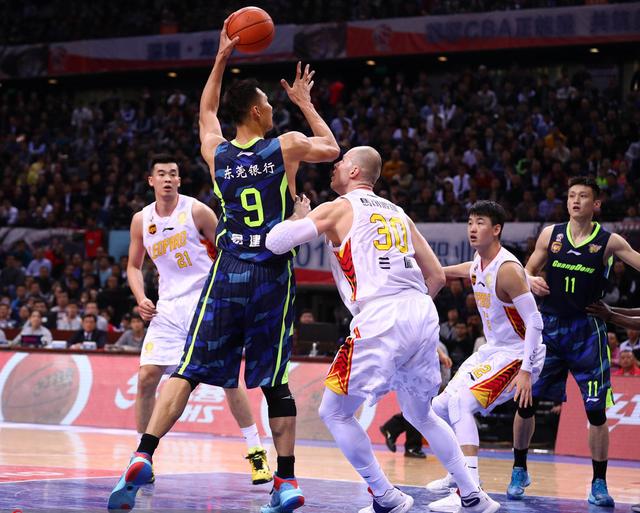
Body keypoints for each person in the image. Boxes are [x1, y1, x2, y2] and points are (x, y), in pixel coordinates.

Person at [108, 16, 339, 513]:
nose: (274, 107)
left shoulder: (216, 153)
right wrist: (305, 102)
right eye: (270, 103)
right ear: (257, 110)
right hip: (271, 274)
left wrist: (221, 57)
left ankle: (143, 453)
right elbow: (332, 149)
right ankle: (285, 481)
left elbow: (207, 110)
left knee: (188, 370)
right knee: (274, 380)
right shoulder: (286, 145)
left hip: (228, 270)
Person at [265, 146, 499, 513]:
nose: (334, 166)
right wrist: (411, 319)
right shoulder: (398, 213)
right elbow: (437, 277)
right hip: (420, 310)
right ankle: (473, 495)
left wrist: (298, 216)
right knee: (421, 414)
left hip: (381, 314)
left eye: (341, 162)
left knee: (334, 412)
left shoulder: (339, 207)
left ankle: (386, 496)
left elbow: (275, 242)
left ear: (354, 171)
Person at [109, 153, 274, 509]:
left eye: (173, 173)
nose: (168, 178)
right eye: (161, 174)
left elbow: (229, 250)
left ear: (180, 180)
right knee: (146, 378)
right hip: (168, 308)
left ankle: (257, 453)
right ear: (151, 180)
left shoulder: (197, 211)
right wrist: (141, 297)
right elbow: (134, 266)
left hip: (207, 302)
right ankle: (143, 458)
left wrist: (232, 295)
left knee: (228, 380)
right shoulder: (141, 220)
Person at [511, 176, 640, 507]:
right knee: (525, 402)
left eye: (583, 196)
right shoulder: (550, 235)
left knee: (596, 412)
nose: (576, 200)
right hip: (550, 329)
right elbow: (525, 271)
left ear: (596, 204)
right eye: (571, 195)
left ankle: (599, 483)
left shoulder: (609, 241)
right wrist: (531, 279)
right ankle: (519, 469)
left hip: (587, 332)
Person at [425, 201, 545, 512]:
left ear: (497, 229)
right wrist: (426, 268)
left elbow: (535, 322)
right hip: (493, 351)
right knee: (438, 407)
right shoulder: (479, 263)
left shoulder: (508, 271)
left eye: (480, 222)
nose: (472, 228)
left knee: (461, 403)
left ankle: (470, 492)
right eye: (470, 222)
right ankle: (458, 474)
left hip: (519, 354)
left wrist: (527, 371)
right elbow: (458, 270)